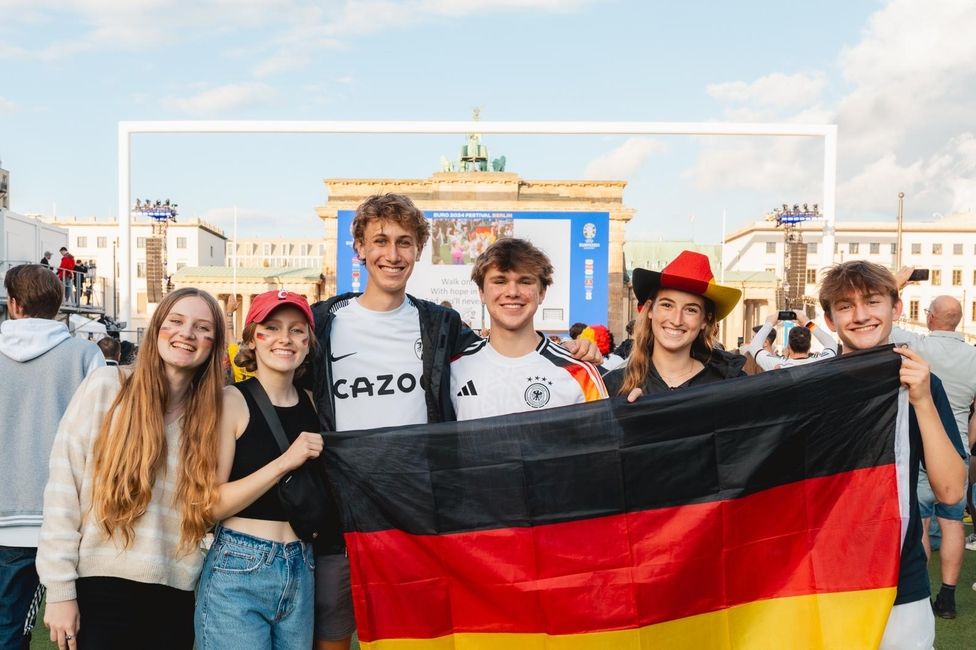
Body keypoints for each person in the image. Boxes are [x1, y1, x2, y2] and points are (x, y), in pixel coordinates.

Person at [309, 193, 599, 650]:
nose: (393, 254)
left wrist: (588, 354)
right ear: (359, 249)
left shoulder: (441, 326)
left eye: (405, 242)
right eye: (380, 241)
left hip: (421, 518)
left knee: (421, 636)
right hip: (342, 514)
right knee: (331, 636)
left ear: (419, 251)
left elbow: (510, 349)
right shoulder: (322, 323)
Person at [37, 287, 227, 649]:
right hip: (100, 589)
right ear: (157, 329)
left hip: (177, 596)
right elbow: (63, 489)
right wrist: (60, 590)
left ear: (213, 345)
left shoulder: (211, 419)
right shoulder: (107, 388)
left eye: (202, 328)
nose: (187, 333)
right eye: (176, 321)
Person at [817, 260, 967, 649]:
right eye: (845, 306)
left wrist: (921, 400)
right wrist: (645, 416)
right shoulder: (809, 389)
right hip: (823, 581)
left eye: (871, 301)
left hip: (900, 580)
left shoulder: (920, 382)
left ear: (896, 309)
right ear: (830, 320)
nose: (861, 315)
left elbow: (950, 492)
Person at [195, 290, 322, 649]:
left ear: (308, 343)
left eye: (297, 330)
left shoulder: (314, 403)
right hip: (240, 564)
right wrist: (284, 462)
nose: (285, 338)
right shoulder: (231, 401)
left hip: (302, 565)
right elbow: (211, 504)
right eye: (272, 327)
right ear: (252, 338)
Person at [0, 265, 103, 650]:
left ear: (13, 304)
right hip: (69, 517)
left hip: (6, 522)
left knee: (8, 631)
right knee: (83, 633)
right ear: (58, 305)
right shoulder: (84, 355)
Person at [889, 289, 976, 619]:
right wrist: (966, 442)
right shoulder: (973, 356)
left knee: (921, 523)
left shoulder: (917, 346)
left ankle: (921, 594)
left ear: (929, 317)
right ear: (959, 321)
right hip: (958, 448)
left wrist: (900, 282)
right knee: (953, 522)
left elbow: (883, 319)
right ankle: (949, 597)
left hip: (923, 443)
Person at [451, 238, 607, 420]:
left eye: (525, 281)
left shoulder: (580, 372)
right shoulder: (453, 368)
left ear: (542, 293)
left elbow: (604, 444)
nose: (512, 292)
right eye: (500, 281)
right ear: (481, 293)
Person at [604, 250, 745, 399]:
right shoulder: (612, 386)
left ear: (705, 320)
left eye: (691, 310)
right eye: (667, 305)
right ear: (650, 310)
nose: (677, 320)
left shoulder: (730, 386)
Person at [746, 311, 837, 371]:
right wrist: (807, 322)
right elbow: (831, 343)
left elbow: (754, 346)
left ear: (789, 347)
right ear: (809, 347)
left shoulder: (778, 364)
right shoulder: (820, 362)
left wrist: (769, 323)